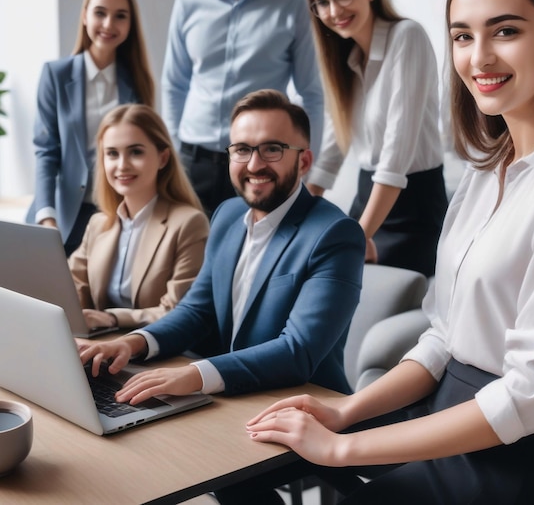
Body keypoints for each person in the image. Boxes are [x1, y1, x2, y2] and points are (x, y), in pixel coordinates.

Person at [229, 0, 534, 504]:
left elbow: (530, 395)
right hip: (451, 416)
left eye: (505, 31)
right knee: (253, 463)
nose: (478, 57)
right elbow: (442, 338)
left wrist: (339, 448)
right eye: (462, 35)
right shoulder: (484, 174)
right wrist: (344, 412)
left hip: (513, 457)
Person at [79, 89, 365, 404]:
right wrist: (132, 343)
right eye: (242, 149)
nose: (255, 164)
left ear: (304, 161)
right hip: (236, 398)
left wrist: (194, 374)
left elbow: (297, 351)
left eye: (272, 149)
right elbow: (196, 311)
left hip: (307, 408)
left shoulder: (336, 234)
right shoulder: (228, 215)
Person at [161, 0, 324, 216]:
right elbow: (174, 84)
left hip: (260, 163)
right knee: (192, 259)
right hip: (194, 161)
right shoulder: (188, 3)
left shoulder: (293, 3)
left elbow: (311, 93)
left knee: (253, 261)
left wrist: (307, 165)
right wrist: (176, 152)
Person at [305, 0, 448, 277]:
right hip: (367, 198)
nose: (334, 10)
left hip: (412, 207)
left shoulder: (407, 37)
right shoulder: (348, 60)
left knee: (382, 299)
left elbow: (396, 155)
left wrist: (360, 234)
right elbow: (331, 149)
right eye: (322, 2)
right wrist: (296, 214)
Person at [26, 0, 155, 256]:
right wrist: (46, 216)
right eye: (100, 13)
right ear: (85, 16)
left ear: (130, 25)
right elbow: (46, 152)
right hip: (63, 216)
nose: (109, 24)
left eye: (120, 16)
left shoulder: (138, 82)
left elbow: (144, 155)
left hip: (116, 215)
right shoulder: (55, 75)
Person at [67, 104, 209, 330]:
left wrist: (113, 318)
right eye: (112, 153)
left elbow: (180, 311)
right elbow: (69, 289)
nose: (122, 165)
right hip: (101, 346)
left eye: (136, 152)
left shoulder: (189, 223)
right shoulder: (98, 224)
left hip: (158, 352)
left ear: (163, 158)